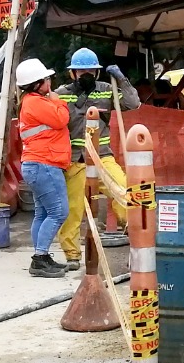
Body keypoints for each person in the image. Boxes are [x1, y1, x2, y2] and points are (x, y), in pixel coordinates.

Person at [55, 47, 141, 271]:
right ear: (72, 73)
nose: (86, 75)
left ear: (98, 73)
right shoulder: (61, 94)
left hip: (103, 157)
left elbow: (134, 104)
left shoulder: (106, 90)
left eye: (91, 71)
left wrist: (122, 79)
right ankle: (72, 255)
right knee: (72, 208)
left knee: (124, 192)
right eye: (81, 71)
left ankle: (137, 242)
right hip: (76, 159)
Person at [15, 57, 71, 278]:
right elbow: (61, 118)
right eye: (47, 79)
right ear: (38, 83)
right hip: (45, 164)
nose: (50, 82)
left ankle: (42, 256)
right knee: (58, 212)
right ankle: (39, 259)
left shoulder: (29, 101)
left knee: (42, 213)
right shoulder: (37, 102)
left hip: (35, 164)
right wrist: (59, 101)